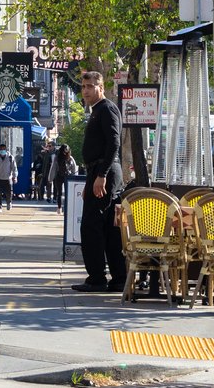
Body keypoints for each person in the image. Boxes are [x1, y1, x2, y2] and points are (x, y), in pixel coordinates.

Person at [72, 70, 127, 293]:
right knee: (107, 228)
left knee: (91, 226)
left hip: (105, 171)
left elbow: (114, 143)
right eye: (83, 87)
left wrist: (101, 175)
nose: (85, 91)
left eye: (90, 86)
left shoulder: (106, 109)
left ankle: (97, 278)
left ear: (101, 88)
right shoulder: (97, 110)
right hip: (98, 171)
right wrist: (91, 179)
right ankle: (118, 278)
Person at [49, 143, 78, 211]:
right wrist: (50, 178)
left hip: (65, 176)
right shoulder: (58, 157)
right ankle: (59, 207)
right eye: (64, 150)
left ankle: (65, 207)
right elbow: (53, 168)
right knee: (60, 193)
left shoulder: (69, 158)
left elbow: (74, 168)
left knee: (66, 192)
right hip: (61, 176)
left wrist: (74, 177)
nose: (65, 152)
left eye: (66, 150)